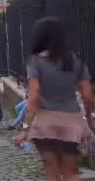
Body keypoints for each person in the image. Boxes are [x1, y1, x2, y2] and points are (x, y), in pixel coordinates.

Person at [15, 17, 94, 180]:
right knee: (72, 172)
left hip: (45, 123)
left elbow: (34, 96)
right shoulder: (76, 60)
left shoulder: (35, 61)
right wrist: (89, 121)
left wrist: (25, 128)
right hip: (71, 122)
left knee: (51, 171)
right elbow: (87, 96)